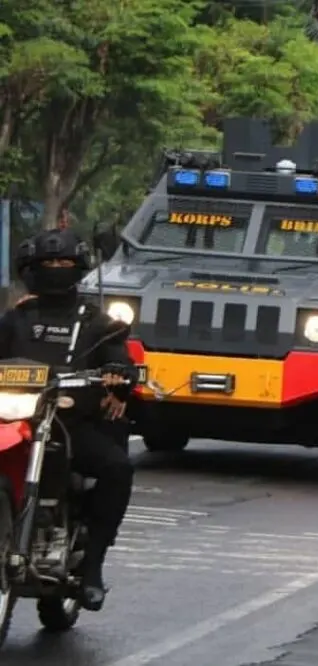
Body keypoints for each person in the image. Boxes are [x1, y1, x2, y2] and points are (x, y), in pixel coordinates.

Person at [0, 228, 137, 611]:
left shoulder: (98, 321)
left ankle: (92, 565)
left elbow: (120, 360)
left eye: (63, 263)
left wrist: (118, 374)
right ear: (31, 268)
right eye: (48, 263)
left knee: (117, 469)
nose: (56, 269)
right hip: (14, 421)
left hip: (70, 424)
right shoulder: (16, 318)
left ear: (78, 268)